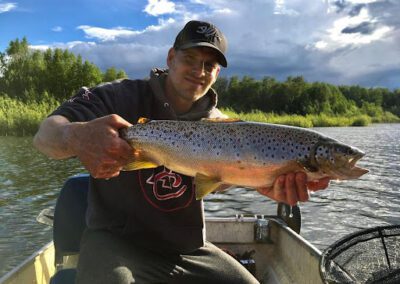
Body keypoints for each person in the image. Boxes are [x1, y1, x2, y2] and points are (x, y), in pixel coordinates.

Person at [34, 20, 330, 284]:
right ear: (171, 57)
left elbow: (216, 180)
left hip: (188, 249)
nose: (199, 71)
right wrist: (75, 135)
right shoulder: (119, 97)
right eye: (190, 58)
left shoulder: (222, 126)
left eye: (210, 66)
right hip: (115, 243)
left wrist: (266, 181)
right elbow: (45, 135)